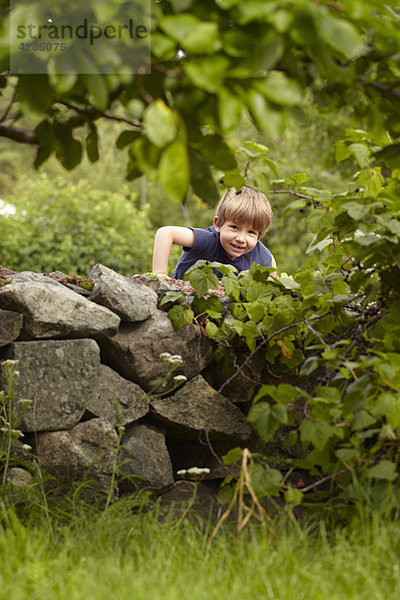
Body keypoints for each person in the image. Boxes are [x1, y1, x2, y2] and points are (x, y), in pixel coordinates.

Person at [152, 185, 276, 279]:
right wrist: (160, 274)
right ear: (218, 224)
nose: (241, 238)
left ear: (259, 235)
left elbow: (271, 270)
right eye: (234, 227)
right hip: (184, 297)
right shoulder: (209, 240)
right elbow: (165, 233)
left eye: (251, 232)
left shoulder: (264, 257)